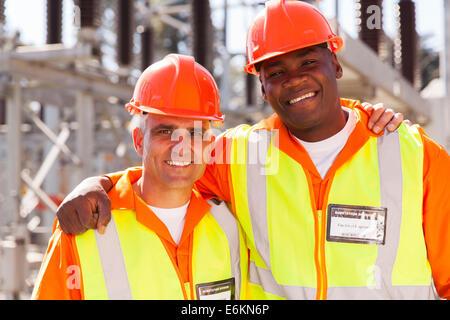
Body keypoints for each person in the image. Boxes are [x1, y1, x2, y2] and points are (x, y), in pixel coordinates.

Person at [57, 0, 450, 300]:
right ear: (262, 86)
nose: (294, 81)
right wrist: (99, 185)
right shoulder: (243, 155)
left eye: (308, 62)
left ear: (336, 64)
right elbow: (169, 165)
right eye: (276, 72)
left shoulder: (414, 156)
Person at [31, 54, 248, 300]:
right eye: (165, 131)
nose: (181, 146)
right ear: (138, 141)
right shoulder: (83, 226)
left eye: (194, 132)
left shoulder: (231, 223)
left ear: (209, 144)